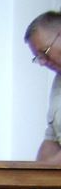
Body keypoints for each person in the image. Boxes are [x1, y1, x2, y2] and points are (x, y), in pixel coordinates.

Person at [25, 11, 61, 163]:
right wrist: (35, 173)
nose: (43, 62)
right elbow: (51, 139)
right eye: (39, 58)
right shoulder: (58, 82)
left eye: (45, 52)